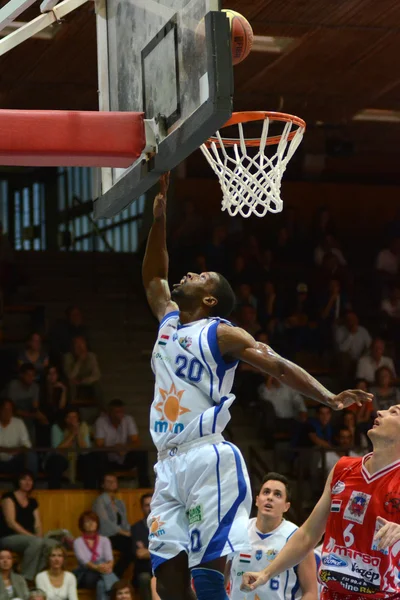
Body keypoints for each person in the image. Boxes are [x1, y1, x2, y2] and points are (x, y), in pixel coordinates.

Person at [141, 174, 372, 600]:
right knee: (169, 578)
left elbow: (278, 367)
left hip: (205, 455)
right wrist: (159, 220)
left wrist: (327, 396)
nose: (189, 273)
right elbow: (155, 277)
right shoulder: (168, 321)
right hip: (167, 463)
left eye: (201, 275)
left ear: (209, 299)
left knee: (206, 567)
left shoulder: (222, 334)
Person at [241, 404, 400, 598]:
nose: (381, 412)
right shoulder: (343, 468)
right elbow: (308, 534)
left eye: (394, 412)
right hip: (331, 593)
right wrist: (266, 573)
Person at [227, 473, 317, 600]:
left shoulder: (298, 538)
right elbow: (221, 580)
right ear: (257, 500)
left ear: (286, 506)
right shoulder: (238, 530)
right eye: (266, 492)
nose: (270, 498)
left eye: (277, 494)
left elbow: (311, 593)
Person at [0, 471, 57, 582]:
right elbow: (11, 523)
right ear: (18, 481)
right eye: (24, 479)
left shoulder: (32, 502)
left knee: (53, 545)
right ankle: (25, 579)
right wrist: (34, 538)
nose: (28, 482)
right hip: (8, 537)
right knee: (36, 542)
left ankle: (28, 572)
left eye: (30, 480)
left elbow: (37, 524)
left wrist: (39, 537)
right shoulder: (8, 497)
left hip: (30, 538)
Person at [94, 399, 150, 488]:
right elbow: (99, 444)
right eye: (116, 412)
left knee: (141, 453)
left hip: (124, 456)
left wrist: (125, 448)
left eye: (121, 412)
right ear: (109, 413)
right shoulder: (101, 421)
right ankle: (101, 486)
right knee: (99, 456)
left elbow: (136, 441)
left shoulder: (128, 419)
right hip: (109, 458)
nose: (119, 415)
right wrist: (114, 448)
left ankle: (145, 486)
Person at [93, 473, 132, 578]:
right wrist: (124, 533)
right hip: (107, 535)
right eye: (108, 481)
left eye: (114, 481)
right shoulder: (100, 501)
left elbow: (124, 522)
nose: (112, 484)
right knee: (131, 547)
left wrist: (130, 532)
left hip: (120, 535)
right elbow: (104, 522)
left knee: (137, 542)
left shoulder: (119, 502)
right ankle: (114, 575)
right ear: (102, 485)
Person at [46, 407, 95, 489]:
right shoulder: (57, 427)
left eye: (74, 417)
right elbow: (58, 449)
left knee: (89, 460)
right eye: (69, 417)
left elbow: (85, 449)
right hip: (61, 457)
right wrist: (72, 434)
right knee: (56, 462)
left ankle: (90, 491)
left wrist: (78, 432)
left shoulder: (83, 426)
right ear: (64, 418)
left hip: (78, 457)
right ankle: (54, 491)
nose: (72, 420)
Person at [73, 510, 118, 600]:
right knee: (100, 568)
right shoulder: (78, 542)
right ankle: (115, 586)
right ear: (82, 525)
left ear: (97, 523)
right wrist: (99, 567)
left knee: (101, 584)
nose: (90, 524)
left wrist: (108, 566)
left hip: (102, 573)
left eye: (93, 521)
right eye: (87, 521)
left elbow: (110, 559)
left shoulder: (104, 540)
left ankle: (113, 587)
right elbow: (84, 561)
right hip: (86, 573)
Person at [6, 364, 48, 441]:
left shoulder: (35, 387)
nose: (31, 378)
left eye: (33, 375)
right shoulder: (13, 386)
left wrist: (41, 417)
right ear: (21, 375)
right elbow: (12, 409)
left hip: (29, 420)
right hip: (13, 418)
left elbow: (35, 406)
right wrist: (31, 415)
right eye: (28, 375)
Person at [0, 399, 38, 476]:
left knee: (31, 456)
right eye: (4, 409)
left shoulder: (19, 423)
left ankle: (30, 484)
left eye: (10, 410)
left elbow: (27, 445)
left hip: (15, 459)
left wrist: (16, 451)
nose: (7, 412)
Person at [63, 336, 101, 403]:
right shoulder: (68, 357)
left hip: (86, 381)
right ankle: (72, 405)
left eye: (82, 345)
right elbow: (70, 376)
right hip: (74, 382)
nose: (81, 349)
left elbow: (97, 375)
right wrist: (79, 362)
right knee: (70, 384)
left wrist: (83, 380)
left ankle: (101, 407)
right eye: (78, 346)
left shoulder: (91, 356)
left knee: (97, 385)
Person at [130, 494, 152, 600]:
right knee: (144, 578)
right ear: (142, 508)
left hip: (164, 569)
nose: (151, 508)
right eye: (147, 505)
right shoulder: (136, 528)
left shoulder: (167, 526)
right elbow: (140, 554)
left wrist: (147, 550)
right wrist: (161, 550)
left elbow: (172, 550)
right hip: (145, 570)